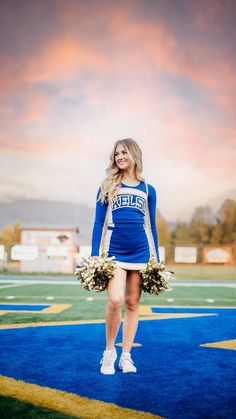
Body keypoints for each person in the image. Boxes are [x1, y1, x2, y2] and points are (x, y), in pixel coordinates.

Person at [91, 138, 160, 374]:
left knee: (132, 303)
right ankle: (109, 353)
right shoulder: (108, 185)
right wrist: (94, 255)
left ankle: (126, 356)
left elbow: (151, 227)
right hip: (114, 252)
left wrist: (155, 259)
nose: (119, 157)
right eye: (116, 153)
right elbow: (99, 222)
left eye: (124, 152)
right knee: (116, 299)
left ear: (134, 155)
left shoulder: (148, 189)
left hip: (140, 251)